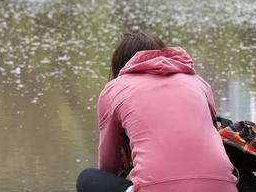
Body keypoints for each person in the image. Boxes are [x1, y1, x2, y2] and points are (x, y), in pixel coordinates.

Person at [76, 32, 238, 192]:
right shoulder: (198, 83)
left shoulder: (115, 89)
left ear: (120, 64)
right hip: (221, 187)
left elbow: (109, 166)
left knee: (88, 178)